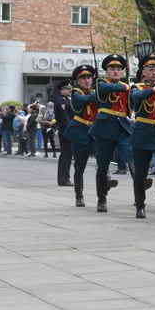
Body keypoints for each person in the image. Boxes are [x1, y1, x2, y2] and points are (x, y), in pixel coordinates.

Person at [89, 54, 132, 212]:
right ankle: (102, 198)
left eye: (118, 69)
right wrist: (126, 87)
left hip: (123, 127)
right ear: (106, 71)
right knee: (103, 165)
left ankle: (139, 191)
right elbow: (108, 89)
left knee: (131, 156)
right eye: (112, 69)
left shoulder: (126, 85)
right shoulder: (101, 83)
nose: (115, 71)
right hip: (105, 127)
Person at [129, 53, 155, 219]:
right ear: (143, 72)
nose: (154, 72)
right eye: (150, 69)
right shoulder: (136, 87)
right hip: (143, 132)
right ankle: (140, 204)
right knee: (141, 172)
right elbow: (136, 98)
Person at [64, 65, 99, 207]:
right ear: (77, 81)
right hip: (80, 132)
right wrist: (101, 91)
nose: (87, 80)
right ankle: (79, 195)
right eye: (83, 78)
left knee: (103, 161)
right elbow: (85, 100)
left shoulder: (95, 91)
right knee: (80, 166)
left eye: (89, 77)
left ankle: (102, 192)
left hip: (95, 131)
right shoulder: (75, 93)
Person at [53, 82, 74, 186]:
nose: (69, 90)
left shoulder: (66, 100)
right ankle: (63, 179)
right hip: (66, 131)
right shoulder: (61, 100)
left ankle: (64, 178)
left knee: (67, 155)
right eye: (67, 88)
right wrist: (71, 129)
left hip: (67, 130)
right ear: (62, 90)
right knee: (66, 155)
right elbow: (65, 118)